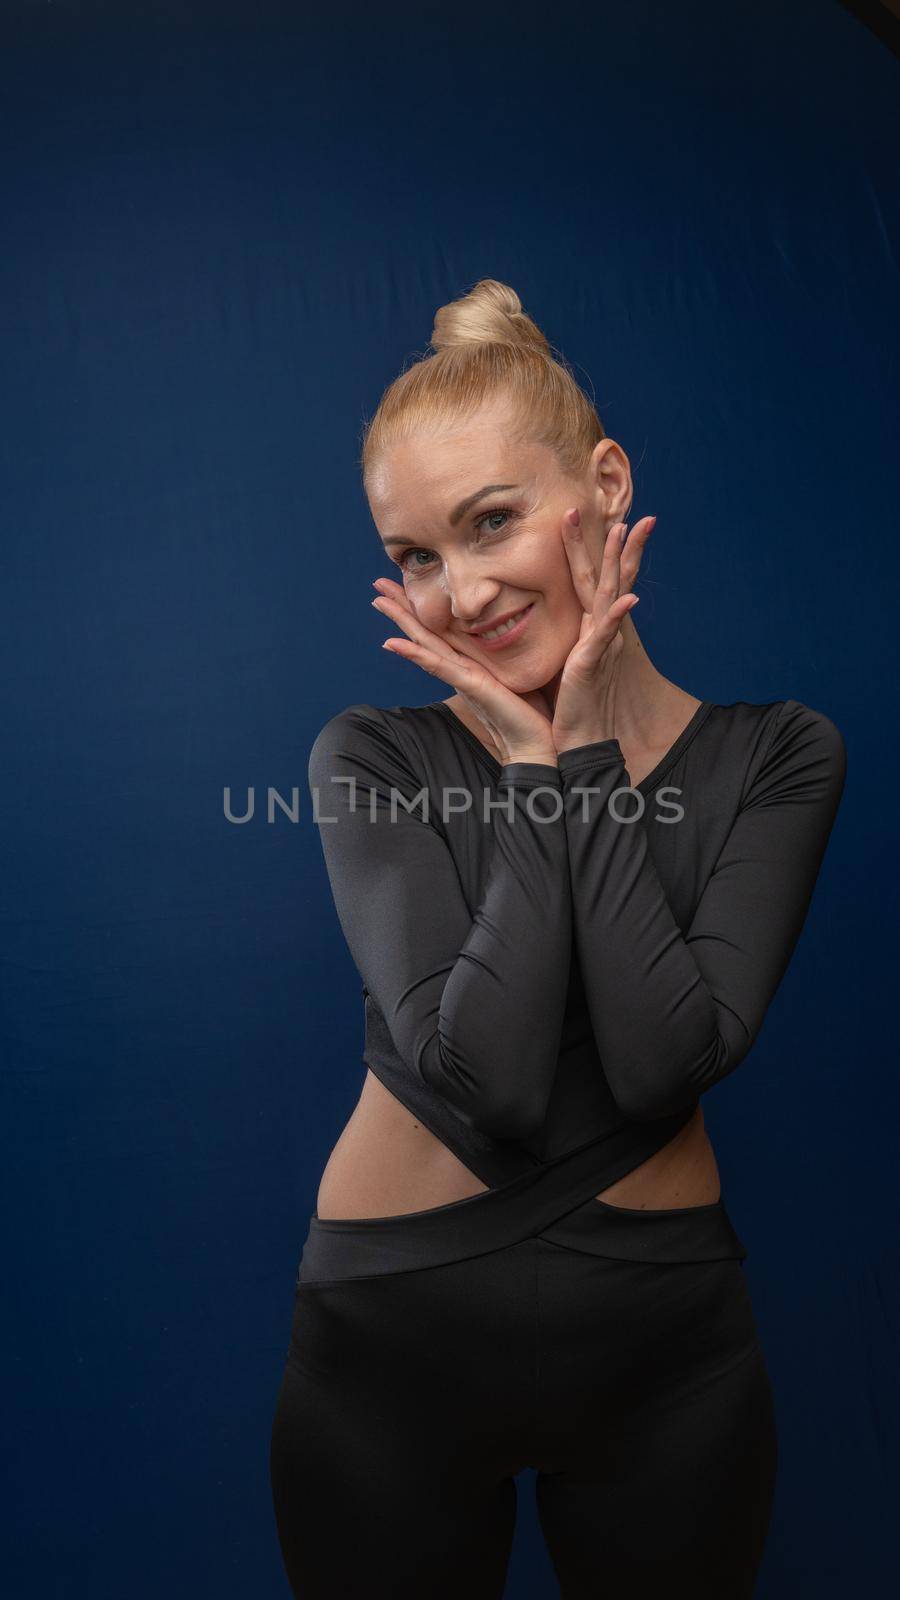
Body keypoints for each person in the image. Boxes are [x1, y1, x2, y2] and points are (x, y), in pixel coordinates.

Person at [269, 278, 846, 1598]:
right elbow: (492, 1077)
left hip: (666, 1369)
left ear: (603, 482)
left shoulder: (778, 757)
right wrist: (539, 778)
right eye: (416, 556)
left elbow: (660, 1066)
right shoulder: (371, 759)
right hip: (387, 1361)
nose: (461, 593)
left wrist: (579, 751)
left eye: (491, 523)